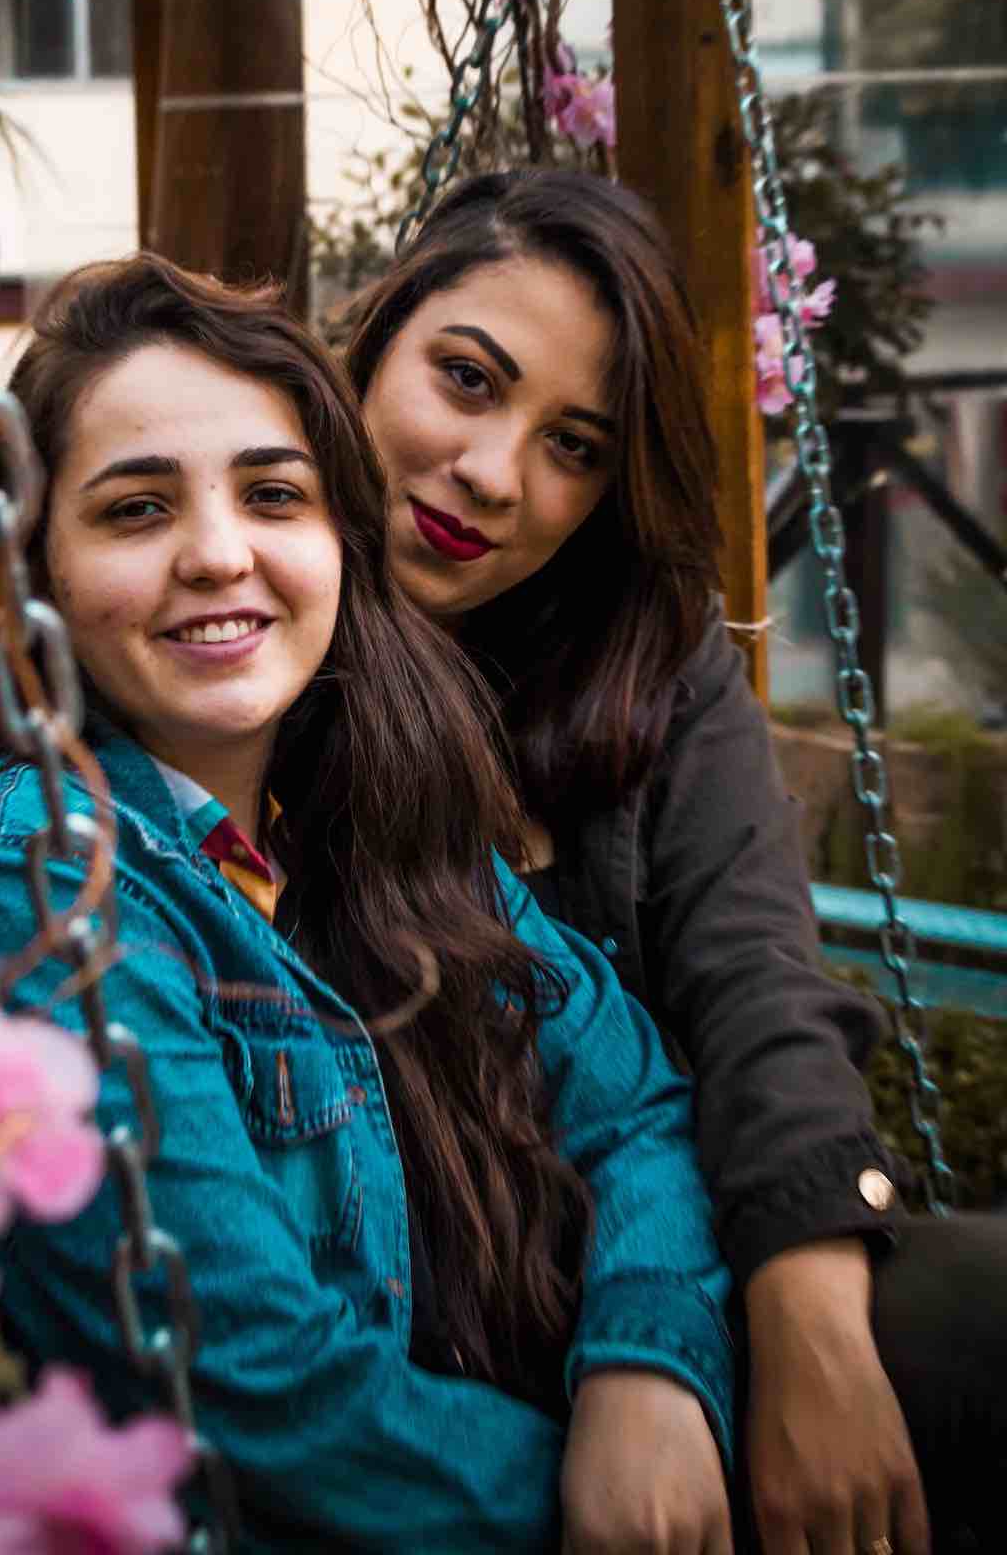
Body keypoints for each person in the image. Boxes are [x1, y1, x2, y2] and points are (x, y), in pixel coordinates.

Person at [0, 254, 738, 1553]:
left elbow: (635, 1102)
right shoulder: (32, 881)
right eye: (135, 510)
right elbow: (265, 1394)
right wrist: (600, 1507)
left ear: (338, 538)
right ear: (33, 574)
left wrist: (650, 1372)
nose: (221, 556)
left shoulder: (365, 824)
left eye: (274, 496)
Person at [346, 166, 1007, 1555]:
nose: (494, 474)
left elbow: (754, 985)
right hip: (408, 1338)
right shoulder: (244, 647)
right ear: (374, 336)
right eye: (466, 381)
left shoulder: (649, 669)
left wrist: (810, 1326)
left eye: (575, 447)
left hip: (666, 1273)